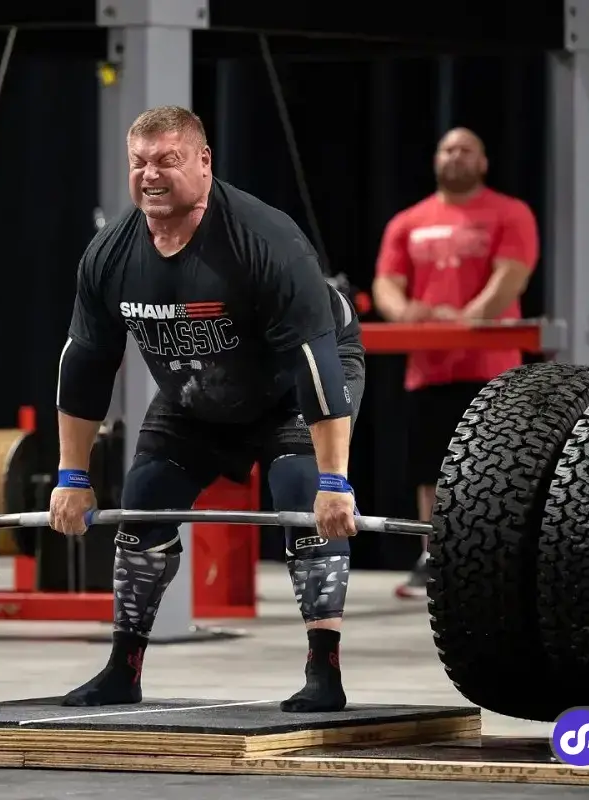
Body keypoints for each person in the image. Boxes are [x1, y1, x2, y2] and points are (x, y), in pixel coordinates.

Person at [49, 105, 366, 713]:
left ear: (203, 161)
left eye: (167, 160)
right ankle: (123, 670)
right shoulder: (110, 255)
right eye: (139, 162)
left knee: (304, 504)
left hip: (292, 388)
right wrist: (71, 475)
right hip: (196, 392)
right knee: (142, 503)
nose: (150, 175)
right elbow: (85, 366)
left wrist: (333, 483)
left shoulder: (266, 241)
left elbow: (315, 363)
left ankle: (324, 671)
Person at [371, 127, 539, 600]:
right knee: (431, 468)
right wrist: (405, 314)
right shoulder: (408, 221)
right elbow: (387, 283)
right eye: (448, 149)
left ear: (483, 162)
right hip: (430, 370)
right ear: (435, 159)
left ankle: (496, 562)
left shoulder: (510, 212)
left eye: (466, 150)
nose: (456, 156)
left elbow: (512, 275)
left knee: (498, 467)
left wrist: (467, 320)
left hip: (493, 370)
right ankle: (434, 557)